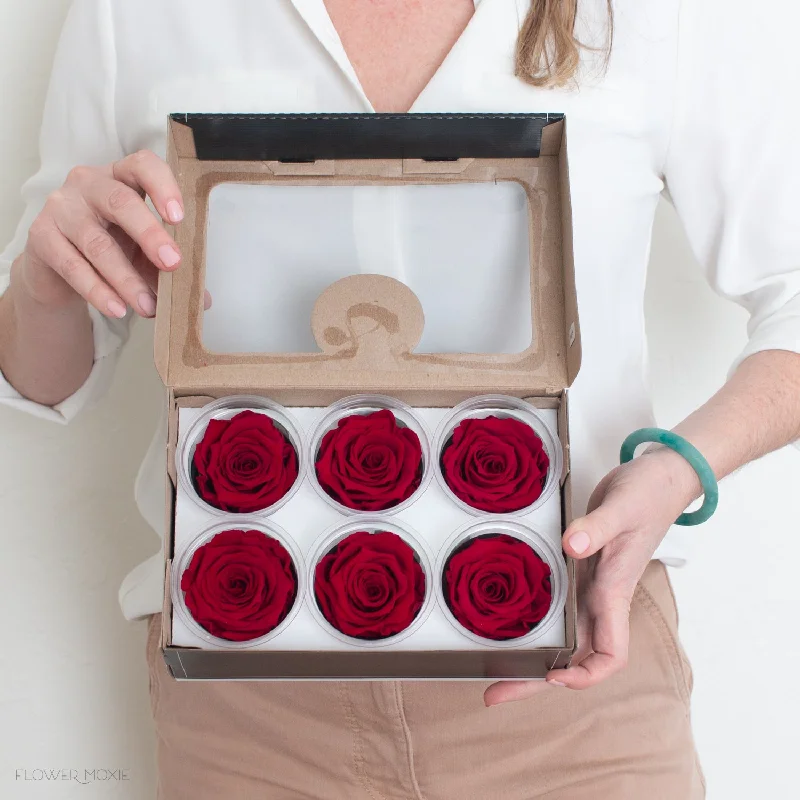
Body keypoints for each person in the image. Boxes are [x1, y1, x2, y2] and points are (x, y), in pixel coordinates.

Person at [1, 0, 798, 797]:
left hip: (574, 664)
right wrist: (43, 288)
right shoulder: (131, 14)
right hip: (245, 696)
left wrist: (676, 472)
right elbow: (48, 383)